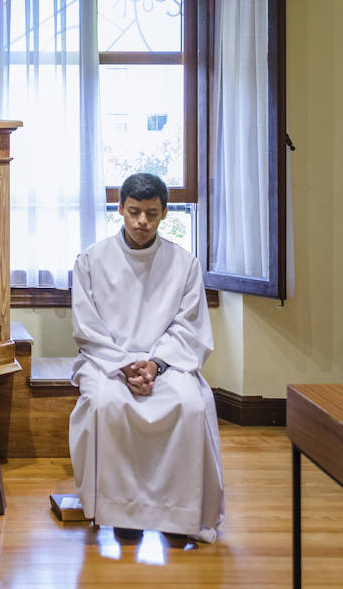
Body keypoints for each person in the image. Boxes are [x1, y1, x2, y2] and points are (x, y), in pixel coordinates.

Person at [68, 172, 224, 544]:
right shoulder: (91, 260)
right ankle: (122, 513)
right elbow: (88, 328)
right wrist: (125, 365)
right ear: (120, 208)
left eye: (152, 214)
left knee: (189, 405)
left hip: (166, 363)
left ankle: (179, 514)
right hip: (108, 362)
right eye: (134, 211)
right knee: (105, 405)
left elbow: (189, 328)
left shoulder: (184, 263)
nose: (142, 222)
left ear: (165, 213)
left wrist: (154, 366)